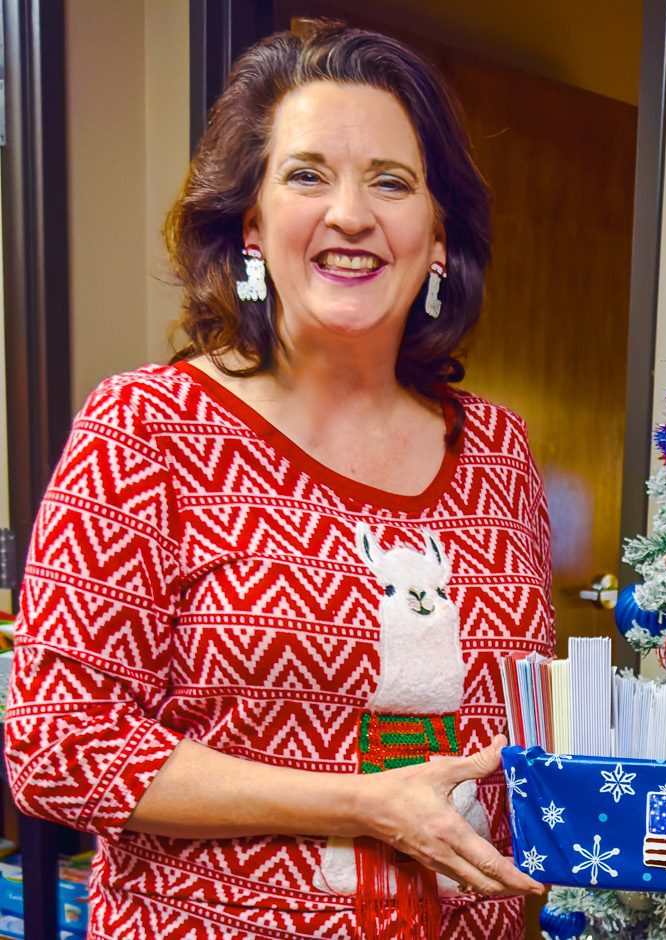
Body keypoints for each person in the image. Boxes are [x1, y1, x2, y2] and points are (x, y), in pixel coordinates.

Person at [4, 21, 553, 940]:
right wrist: (357, 803)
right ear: (252, 225)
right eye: (307, 174)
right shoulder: (148, 427)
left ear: (438, 234)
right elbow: (57, 742)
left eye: (392, 181)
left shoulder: (498, 450)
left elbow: (517, 738)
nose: (350, 213)